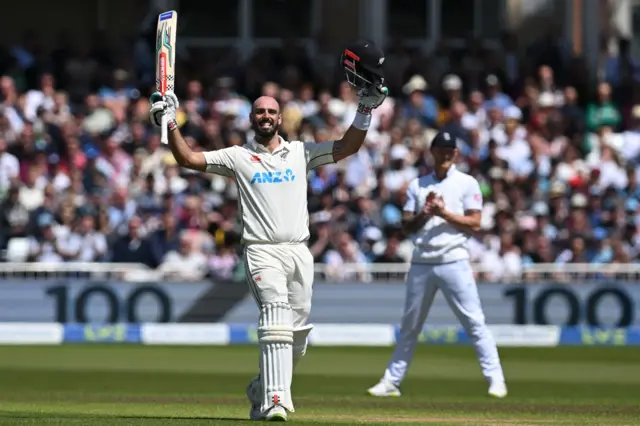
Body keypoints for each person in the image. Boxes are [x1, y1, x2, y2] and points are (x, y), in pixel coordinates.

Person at [150, 41, 388, 422]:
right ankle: (275, 401)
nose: (265, 116)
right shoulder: (237, 156)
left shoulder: (300, 153)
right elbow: (188, 158)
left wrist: (364, 110)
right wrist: (171, 121)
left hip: (299, 251)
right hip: (261, 250)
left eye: (271, 112)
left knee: (297, 335)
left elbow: (347, 147)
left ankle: (260, 387)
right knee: (275, 314)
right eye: (259, 111)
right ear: (251, 118)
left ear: (280, 118)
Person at [366, 130, 508, 399]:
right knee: (410, 325)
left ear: (455, 153)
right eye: (440, 149)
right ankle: (391, 382)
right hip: (422, 262)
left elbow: (475, 223)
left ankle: (496, 380)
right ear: (432, 152)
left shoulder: (467, 183)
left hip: (454, 260)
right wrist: (426, 213)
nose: (445, 154)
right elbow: (406, 227)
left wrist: (444, 213)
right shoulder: (418, 185)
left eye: (449, 150)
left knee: (474, 323)